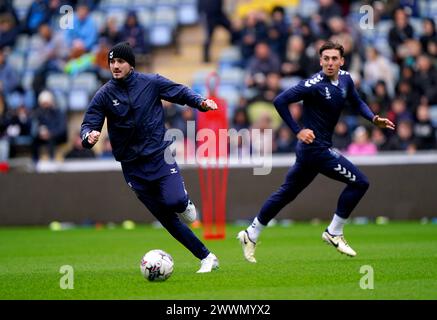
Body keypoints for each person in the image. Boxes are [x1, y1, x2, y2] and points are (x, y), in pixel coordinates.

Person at [237, 41, 395, 262]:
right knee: (360, 182)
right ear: (320, 61)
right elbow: (280, 101)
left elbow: (357, 101)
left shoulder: (346, 79)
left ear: (342, 61)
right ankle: (334, 232)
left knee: (286, 193)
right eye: (326, 59)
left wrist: (373, 118)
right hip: (316, 149)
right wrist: (298, 131)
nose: (330, 63)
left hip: (311, 151)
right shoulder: (313, 84)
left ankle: (251, 233)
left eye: (334, 59)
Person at [80, 42, 219, 273]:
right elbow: (89, 122)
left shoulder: (151, 82)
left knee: (175, 202)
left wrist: (200, 102)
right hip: (132, 167)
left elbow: (179, 91)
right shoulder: (104, 95)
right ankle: (207, 257)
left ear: (131, 64)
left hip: (159, 156)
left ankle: (184, 202)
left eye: (120, 61)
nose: (115, 66)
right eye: (112, 62)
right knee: (167, 219)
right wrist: (88, 136)